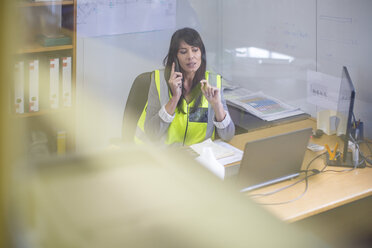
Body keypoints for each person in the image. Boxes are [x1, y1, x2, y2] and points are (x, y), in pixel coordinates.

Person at [136, 27, 235, 145]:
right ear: (175, 56)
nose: (190, 56)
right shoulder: (159, 80)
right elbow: (152, 133)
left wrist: (217, 105)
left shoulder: (213, 81)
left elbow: (228, 135)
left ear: (201, 53)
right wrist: (174, 99)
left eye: (195, 50)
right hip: (165, 156)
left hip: (199, 156)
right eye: (183, 52)